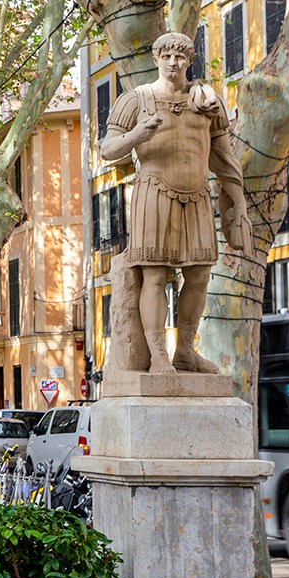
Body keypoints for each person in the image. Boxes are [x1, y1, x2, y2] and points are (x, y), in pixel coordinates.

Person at [100, 30, 252, 374]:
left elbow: (224, 157)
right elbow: (107, 149)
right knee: (155, 276)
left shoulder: (207, 101)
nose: (173, 62)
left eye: (180, 56)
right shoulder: (136, 99)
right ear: (156, 59)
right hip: (153, 192)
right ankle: (157, 356)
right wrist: (138, 134)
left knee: (199, 276)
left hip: (198, 195)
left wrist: (238, 200)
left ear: (189, 59)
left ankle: (185, 349)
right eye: (166, 56)